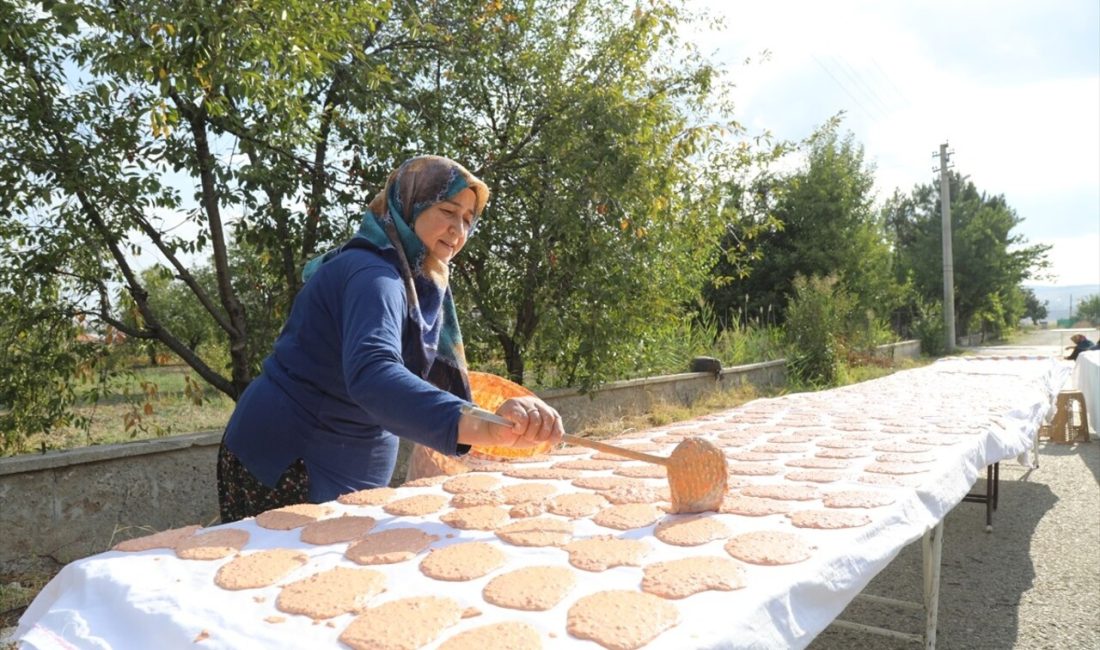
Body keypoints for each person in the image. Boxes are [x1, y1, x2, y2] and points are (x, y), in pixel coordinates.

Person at [217, 155, 564, 523]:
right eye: (448, 210)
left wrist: (493, 416)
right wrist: (482, 426)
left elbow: (408, 379)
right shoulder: (374, 276)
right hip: (291, 460)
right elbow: (374, 375)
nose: (458, 230)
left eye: (467, 219)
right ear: (410, 204)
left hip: (346, 460)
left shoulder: (416, 279)